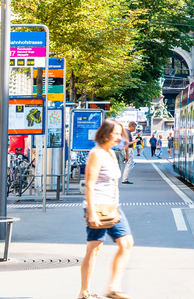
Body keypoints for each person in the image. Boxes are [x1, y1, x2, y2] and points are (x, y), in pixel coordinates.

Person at [80, 118, 134, 299]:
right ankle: (84, 291)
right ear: (105, 133)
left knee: (126, 243)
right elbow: (89, 184)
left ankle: (113, 288)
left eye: (120, 134)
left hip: (113, 207)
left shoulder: (110, 153)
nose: (119, 137)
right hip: (98, 207)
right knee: (94, 248)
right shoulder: (96, 154)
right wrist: (92, 213)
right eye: (116, 133)